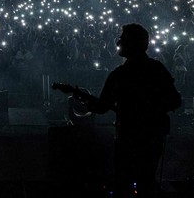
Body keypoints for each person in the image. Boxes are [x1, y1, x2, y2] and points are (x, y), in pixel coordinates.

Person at [75, 23, 182, 197]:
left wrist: (86, 101)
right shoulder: (157, 69)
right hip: (153, 137)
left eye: (122, 39)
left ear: (132, 44)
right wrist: (154, 110)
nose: (118, 43)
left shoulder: (120, 75)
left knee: (123, 183)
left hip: (128, 138)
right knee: (146, 182)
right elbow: (176, 101)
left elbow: (102, 106)